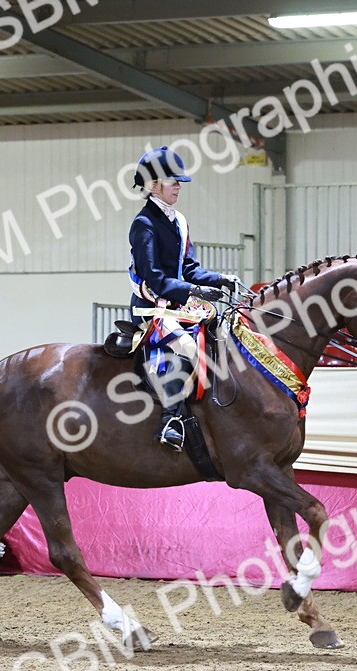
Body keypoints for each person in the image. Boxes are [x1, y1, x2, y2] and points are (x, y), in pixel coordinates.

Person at [128, 146, 237, 451]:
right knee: (186, 347)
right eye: (172, 181)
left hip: (178, 305)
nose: (178, 185)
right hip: (152, 307)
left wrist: (219, 279)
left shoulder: (180, 221)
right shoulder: (144, 224)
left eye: (178, 181)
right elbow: (155, 278)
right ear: (153, 185)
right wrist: (194, 292)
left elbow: (188, 268)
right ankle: (170, 421)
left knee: (223, 335)